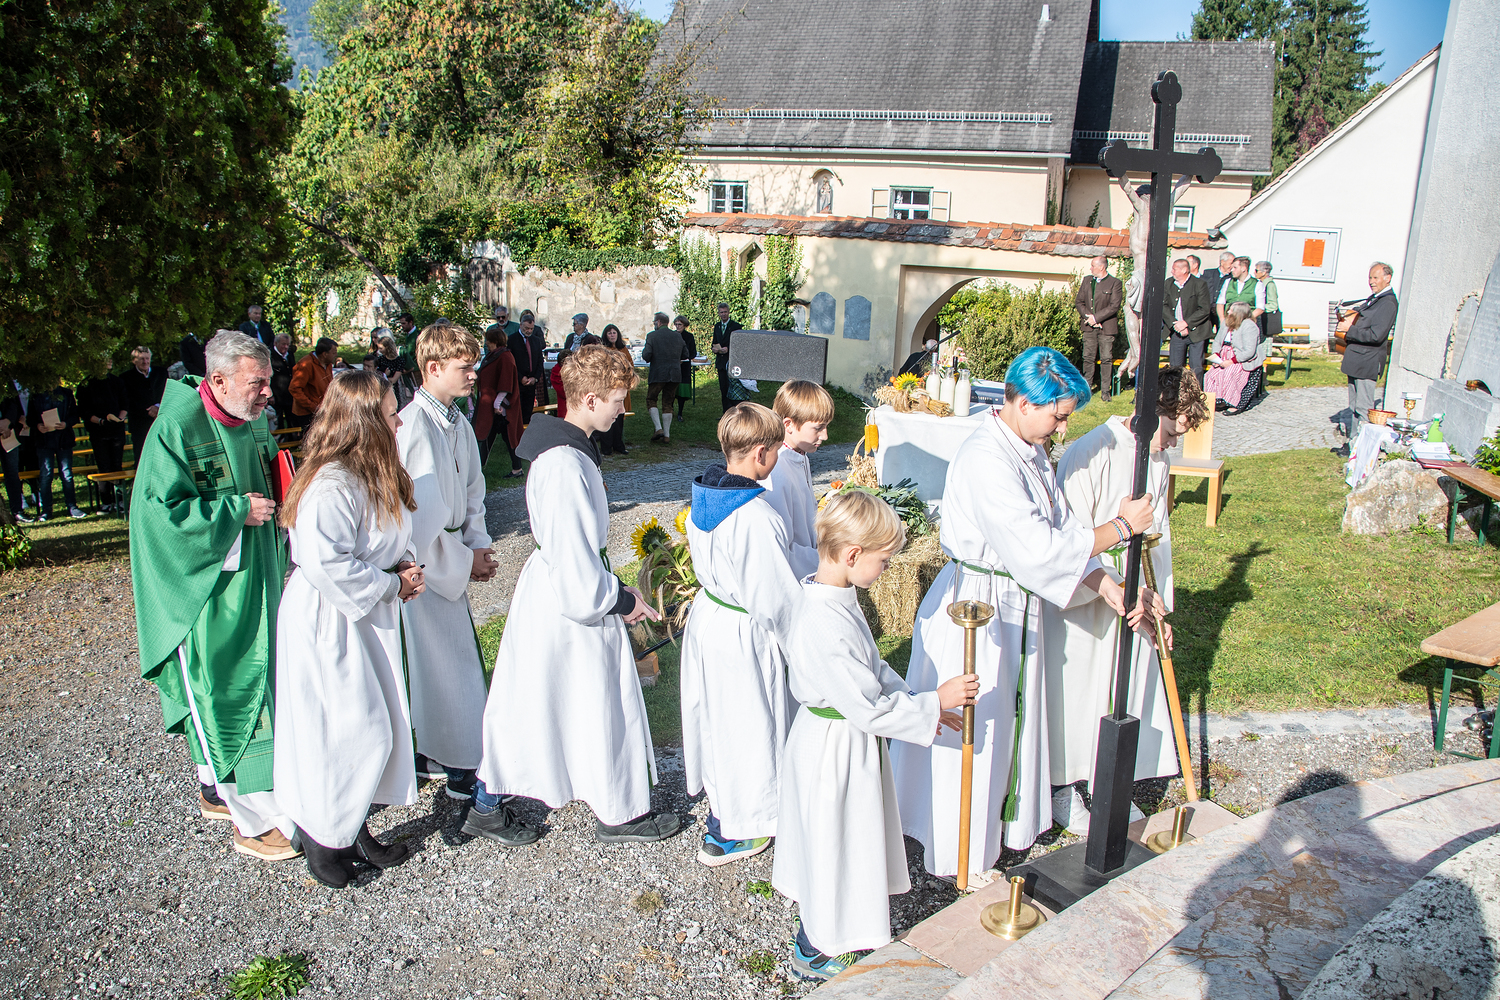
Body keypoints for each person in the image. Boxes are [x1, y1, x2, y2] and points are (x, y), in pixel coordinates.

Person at [889, 347, 1157, 880]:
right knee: (979, 726)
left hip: (1014, 602)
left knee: (1010, 720)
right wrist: (1122, 528)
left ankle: (997, 828)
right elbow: (1038, 550)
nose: (1063, 428)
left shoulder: (1030, 449)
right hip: (976, 608)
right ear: (1024, 403)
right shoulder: (987, 457)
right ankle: (957, 847)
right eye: (1058, 416)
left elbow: (1061, 532)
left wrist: (1106, 584)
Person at [470, 345, 675, 846]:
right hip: (567, 601)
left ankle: (504, 802)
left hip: (566, 588)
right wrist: (617, 599)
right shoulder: (562, 464)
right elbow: (573, 555)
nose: (622, 410)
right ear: (589, 399)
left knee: (550, 699)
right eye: (617, 401)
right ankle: (610, 811)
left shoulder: (571, 452)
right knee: (567, 700)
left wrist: (615, 588)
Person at [775, 492, 977, 981]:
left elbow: (872, 667)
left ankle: (830, 931)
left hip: (839, 736)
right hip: (834, 748)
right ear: (852, 555)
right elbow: (867, 707)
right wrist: (936, 701)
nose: (887, 571)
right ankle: (818, 948)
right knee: (835, 841)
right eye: (884, 561)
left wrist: (920, 702)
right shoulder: (823, 621)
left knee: (842, 839)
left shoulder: (831, 597)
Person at [130, 331, 299, 862]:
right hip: (209, 590)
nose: (267, 393)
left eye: (268, 381)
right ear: (218, 380)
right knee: (224, 690)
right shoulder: (177, 428)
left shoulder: (251, 419)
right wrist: (233, 512)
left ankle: (215, 787)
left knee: (264, 683)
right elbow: (159, 516)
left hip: (258, 576)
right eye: (257, 383)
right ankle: (253, 821)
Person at [274, 370, 426, 888]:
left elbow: (390, 532)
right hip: (329, 619)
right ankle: (321, 835)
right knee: (344, 728)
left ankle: (351, 826)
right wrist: (391, 585)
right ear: (364, 421)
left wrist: (404, 564)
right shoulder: (332, 483)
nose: (399, 421)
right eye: (390, 413)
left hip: (364, 615)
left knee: (373, 723)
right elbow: (326, 561)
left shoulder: (373, 471)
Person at [1045, 367, 1207, 834]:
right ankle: (1064, 788)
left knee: (1121, 691)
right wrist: (1116, 580)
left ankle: (1109, 784)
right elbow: (1069, 538)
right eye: (1172, 431)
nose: (1173, 443)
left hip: (1134, 597)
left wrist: (1157, 601)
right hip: (1089, 597)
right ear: (1151, 414)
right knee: (1079, 694)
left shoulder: (1158, 459)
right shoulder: (1091, 451)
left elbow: (1159, 538)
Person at [680, 402, 803, 866]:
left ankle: (721, 810)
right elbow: (776, 599)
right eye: (776, 450)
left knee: (718, 723)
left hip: (711, 618)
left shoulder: (703, 496)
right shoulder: (755, 516)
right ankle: (745, 825)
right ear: (760, 454)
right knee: (750, 725)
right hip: (742, 630)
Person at [396, 325, 497, 799]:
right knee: (440, 665)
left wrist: (478, 544)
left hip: (453, 550)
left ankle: (450, 751)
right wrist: (462, 560)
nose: (474, 374)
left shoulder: (457, 421)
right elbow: (419, 518)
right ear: (433, 368)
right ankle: (452, 761)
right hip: (427, 565)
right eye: (465, 367)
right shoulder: (415, 426)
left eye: (474, 366)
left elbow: (473, 490)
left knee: (455, 661)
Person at [759, 380, 834, 580]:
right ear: (789, 424)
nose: (825, 436)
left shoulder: (800, 455)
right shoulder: (776, 471)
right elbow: (782, 544)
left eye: (826, 427)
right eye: (818, 428)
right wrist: (827, 562)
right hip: (796, 574)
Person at [1334, 262, 1399, 448]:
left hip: (1367, 361)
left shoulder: (1388, 302)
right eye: (1370, 277)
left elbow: (1376, 335)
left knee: (1363, 408)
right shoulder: (1375, 299)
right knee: (1354, 406)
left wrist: (1350, 329)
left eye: (1375, 278)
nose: (1371, 281)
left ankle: (1361, 448)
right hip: (1357, 359)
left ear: (1387, 278)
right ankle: (1352, 445)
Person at [27, 384, 86, 521]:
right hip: (44, 441)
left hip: (63, 440)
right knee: (46, 475)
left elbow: (75, 415)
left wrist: (66, 424)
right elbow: (30, 418)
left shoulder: (66, 393)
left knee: (67, 474)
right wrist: (38, 426)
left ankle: (72, 507)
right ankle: (46, 510)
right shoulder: (36, 395)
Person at [79, 360, 129, 512]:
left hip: (116, 429)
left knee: (117, 465)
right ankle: (106, 502)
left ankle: (120, 500)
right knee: (104, 466)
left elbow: (124, 404)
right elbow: (84, 411)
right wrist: (100, 421)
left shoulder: (117, 381)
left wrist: (119, 419)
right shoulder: (86, 384)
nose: (108, 362)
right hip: (98, 430)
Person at [475, 326, 524, 477]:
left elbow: (506, 382)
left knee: (508, 437)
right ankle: (478, 469)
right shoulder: (494, 355)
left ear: (495, 341)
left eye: (488, 340)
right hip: (492, 406)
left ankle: (517, 469)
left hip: (502, 408)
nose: (486, 343)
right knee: (488, 435)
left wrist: (497, 404)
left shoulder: (505, 356)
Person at [1073, 256, 1123, 402]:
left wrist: (1097, 318)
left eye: (1093, 266)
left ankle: (1105, 391)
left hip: (1106, 328)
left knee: (1106, 359)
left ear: (1102, 267)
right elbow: (1079, 302)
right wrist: (1089, 318)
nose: (1091, 268)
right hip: (1089, 326)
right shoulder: (1087, 280)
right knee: (1088, 358)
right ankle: (1087, 389)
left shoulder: (1115, 283)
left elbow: (1114, 306)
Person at [1209, 301, 1270, 414]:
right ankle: (1217, 400)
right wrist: (1216, 355)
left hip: (1241, 359)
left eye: (1231, 310)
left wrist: (1231, 361)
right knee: (1211, 375)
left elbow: (1249, 351)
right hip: (1224, 355)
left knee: (1229, 374)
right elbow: (1217, 341)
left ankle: (1234, 403)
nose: (1228, 312)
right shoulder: (1226, 322)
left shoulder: (1249, 326)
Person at [1163, 258, 1215, 380]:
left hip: (1196, 332)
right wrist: (1175, 324)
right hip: (1176, 331)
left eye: (1174, 269)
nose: (1172, 271)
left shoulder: (1199, 284)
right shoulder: (1168, 283)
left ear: (1184, 270)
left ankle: (1195, 391)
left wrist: (1186, 324)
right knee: (1175, 368)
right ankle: (1176, 391)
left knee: (1196, 368)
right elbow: (1163, 306)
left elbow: (1204, 309)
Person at [642, 312, 688, 443]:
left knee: (651, 399)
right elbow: (685, 354)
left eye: (654, 322)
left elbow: (646, 355)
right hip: (674, 374)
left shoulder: (652, 335)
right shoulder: (677, 336)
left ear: (658, 322)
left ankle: (658, 428)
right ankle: (667, 435)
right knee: (668, 402)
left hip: (658, 373)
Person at [121, 346, 167, 458]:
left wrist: (158, 407)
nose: (145, 362)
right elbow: (127, 400)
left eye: (147, 358)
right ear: (134, 361)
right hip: (139, 424)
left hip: (160, 419)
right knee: (142, 456)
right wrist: (148, 410)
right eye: (141, 359)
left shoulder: (161, 372)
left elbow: (167, 391)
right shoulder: (126, 377)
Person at [508, 310, 547, 424]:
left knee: (528, 412)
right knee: (517, 412)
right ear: (520, 325)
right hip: (517, 383)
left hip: (531, 383)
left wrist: (535, 378)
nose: (529, 331)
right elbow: (510, 362)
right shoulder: (512, 340)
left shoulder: (536, 340)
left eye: (531, 329)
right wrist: (520, 377)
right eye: (526, 328)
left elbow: (539, 361)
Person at [597, 325, 631, 456]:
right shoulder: (603, 350)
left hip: (621, 386)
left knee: (619, 417)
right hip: (609, 387)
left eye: (614, 333)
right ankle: (606, 447)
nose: (612, 335)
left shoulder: (623, 349)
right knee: (607, 416)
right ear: (606, 335)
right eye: (609, 333)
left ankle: (618, 445)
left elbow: (630, 365)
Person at [289, 337, 337, 427]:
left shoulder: (328, 364)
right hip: (307, 414)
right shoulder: (305, 364)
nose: (336, 355)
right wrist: (313, 407)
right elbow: (294, 389)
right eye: (334, 353)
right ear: (324, 354)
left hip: (323, 409)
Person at [1215, 256, 1264, 328]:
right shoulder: (1228, 282)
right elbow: (1220, 303)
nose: (1232, 270)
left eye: (1235, 267)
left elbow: (1260, 308)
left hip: (1247, 325)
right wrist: (1222, 319)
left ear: (1243, 268)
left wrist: (1245, 321)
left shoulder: (1257, 284)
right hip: (1228, 323)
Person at [712, 303, 743, 412]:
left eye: (725, 312)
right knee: (723, 388)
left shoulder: (736, 326)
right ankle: (726, 412)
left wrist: (729, 349)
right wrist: (714, 349)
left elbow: (740, 344)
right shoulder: (717, 326)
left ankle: (735, 412)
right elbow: (714, 342)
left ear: (728, 312)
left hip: (732, 362)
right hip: (721, 362)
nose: (723, 314)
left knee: (733, 388)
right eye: (721, 312)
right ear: (718, 313)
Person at [370, 334, 414, 409]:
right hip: (382, 389)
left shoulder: (399, 361)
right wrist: (384, 375)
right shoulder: (380, 359)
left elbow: (393, 380)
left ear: (387, 347)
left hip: (395, 390)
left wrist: (383, 376)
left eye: (381, 348)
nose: (379, 350)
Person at [269, 334, 298, 427]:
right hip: (276, 396)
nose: (285, 347)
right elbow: (267, 377)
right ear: (276, 343)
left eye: (287, 344)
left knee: (292, 421)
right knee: (278, 422)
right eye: (283, 344)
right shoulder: (270, 356)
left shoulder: (290, 354)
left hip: (289, 394)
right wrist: (270, 396)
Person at [673, 316, 698, 421]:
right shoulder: (672, 335)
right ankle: (670, 410)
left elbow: (693, 352)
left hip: (684, 367)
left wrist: (684, 359)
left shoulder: (689, 336)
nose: (678, 326)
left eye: (680, 324)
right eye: (676, 324)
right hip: (673, 366)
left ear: (684, 325)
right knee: (672, 389)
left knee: (682, 391)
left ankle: (680, 413)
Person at [1254, 261, 1282, 343]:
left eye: (1256, 270)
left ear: (1264, 272)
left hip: (1265, 322)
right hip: (1260, 320)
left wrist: (1259, 308)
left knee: (1263, 345)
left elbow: (1273, 305)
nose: (1254, 273)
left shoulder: (1269, 285)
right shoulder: (1260, 283)